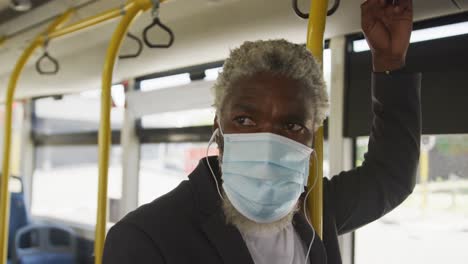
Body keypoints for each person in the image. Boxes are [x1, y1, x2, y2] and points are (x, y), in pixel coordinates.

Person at [103, 0, 421, 263]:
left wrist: (389, 62)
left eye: (292, 125)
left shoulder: (318, 208)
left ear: (312, 138)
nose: (269, 143)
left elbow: (391, 174)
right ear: (219, 126)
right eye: (245, 120)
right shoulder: (148, 238)